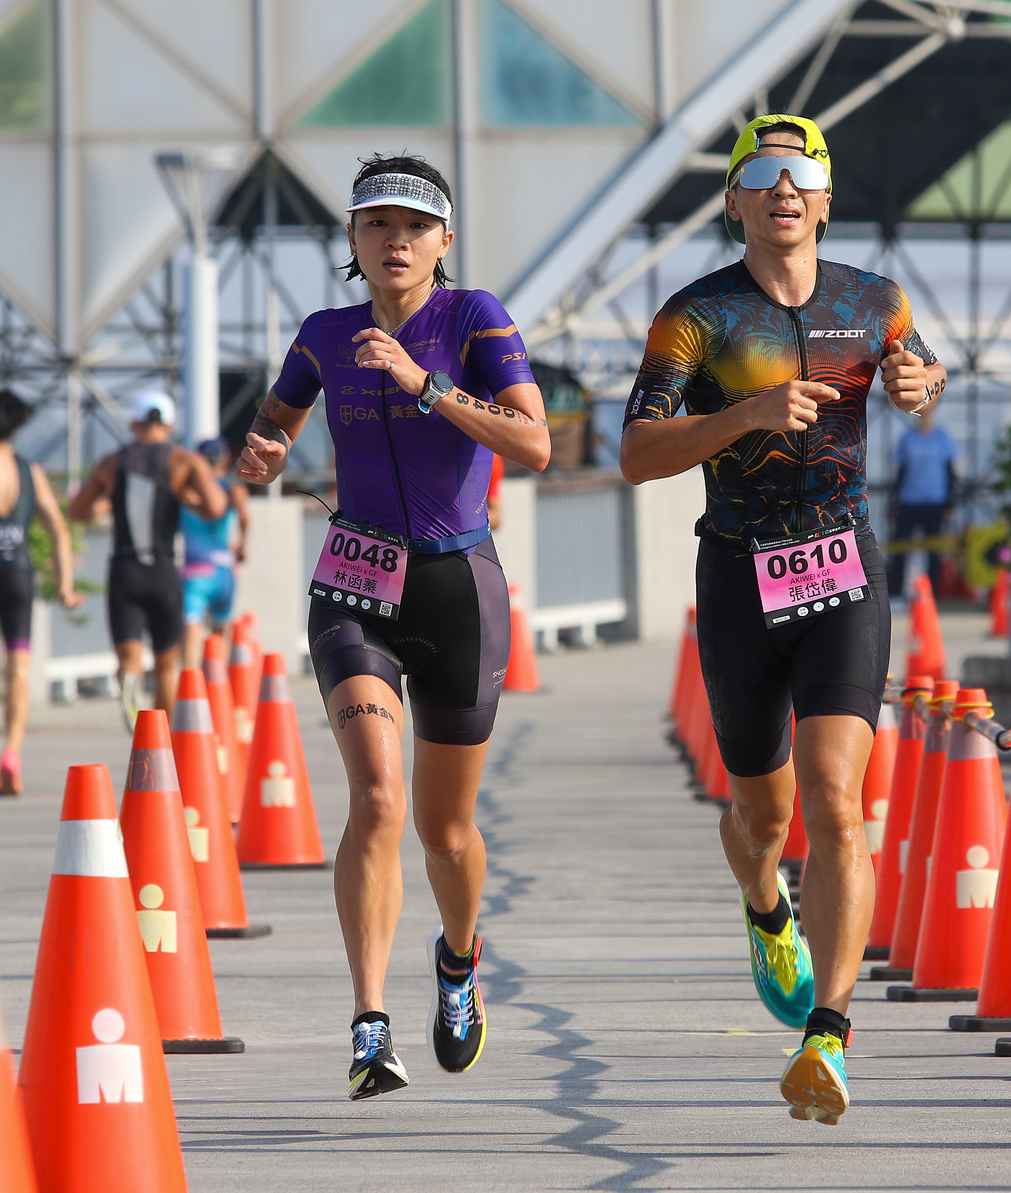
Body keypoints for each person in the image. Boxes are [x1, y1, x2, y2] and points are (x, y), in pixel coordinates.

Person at [618, 114, 945, 1124]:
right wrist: (742, 417)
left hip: (841, 570)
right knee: (763, 818)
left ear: (825, 197)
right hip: (737, 579)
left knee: (837, 802)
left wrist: (917, 386)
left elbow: (924, 382)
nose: (783, 190)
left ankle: (830, 1036)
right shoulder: (696, 316)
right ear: (734, 200)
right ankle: (766, 904)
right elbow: (637, 450)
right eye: (761, 175)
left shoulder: (872, 300)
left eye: (800, 174)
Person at [237, 153, 548, 1100]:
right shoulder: (323, 334)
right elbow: (271, 428)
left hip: (459, 586)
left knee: (445, 827)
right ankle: (370, 1022)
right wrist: (261, 453)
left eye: (414, 227)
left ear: (444, 242)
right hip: (355, 585)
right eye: (376, 225)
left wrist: (424, 384)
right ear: (352, 241)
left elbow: (533, 442)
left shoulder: (475, 317)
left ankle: (458, 959)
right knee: (375, 798)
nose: (395, 241)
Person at [0, 389, 80, 796]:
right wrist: (65, 585)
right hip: (18, 575)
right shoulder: (29, 471)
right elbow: (58, 528)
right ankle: (12, 753)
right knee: (18, 667)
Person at [68, 392, 226, 725]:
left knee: (129, 655)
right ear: (168, 423)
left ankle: (129, 677)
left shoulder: (112, 462)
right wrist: (185, 497)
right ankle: (160, 738)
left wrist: (109, 501)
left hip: (124, 569)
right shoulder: (184, 460)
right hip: (164, 570)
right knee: (167, 664)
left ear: (134, 423)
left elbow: (77, 511)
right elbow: (215, 507)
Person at [178, 437, 250, 667]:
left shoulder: (185, 490)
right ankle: (218, 690)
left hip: (195, 570)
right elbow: (246, 517)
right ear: (224, 459)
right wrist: (242, 546)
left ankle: (190, 687)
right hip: (224, 569)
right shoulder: (231, 487)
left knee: (191, 630)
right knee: (220, 632)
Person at [889, 406, 960, 595]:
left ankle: (933, 593)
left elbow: (950, 472)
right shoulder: (907, 439)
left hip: (934, 502)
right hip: (908, 501)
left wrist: (949, 503)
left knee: (933, 552)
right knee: (900, 549)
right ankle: (896, 592)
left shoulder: (942, 438)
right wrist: (894, 503)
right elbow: (900, 473)